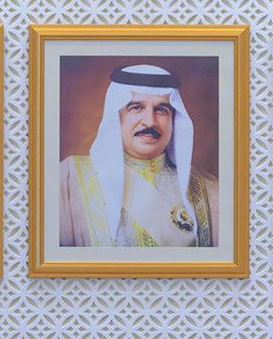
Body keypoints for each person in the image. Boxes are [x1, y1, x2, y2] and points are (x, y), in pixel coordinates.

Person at [58, 63, 220, 247]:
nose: (150, 122)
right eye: (136, 108)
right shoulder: (67, 180)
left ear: (174, 120)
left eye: (161, 110)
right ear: (116, 117)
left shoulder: (209, 189)